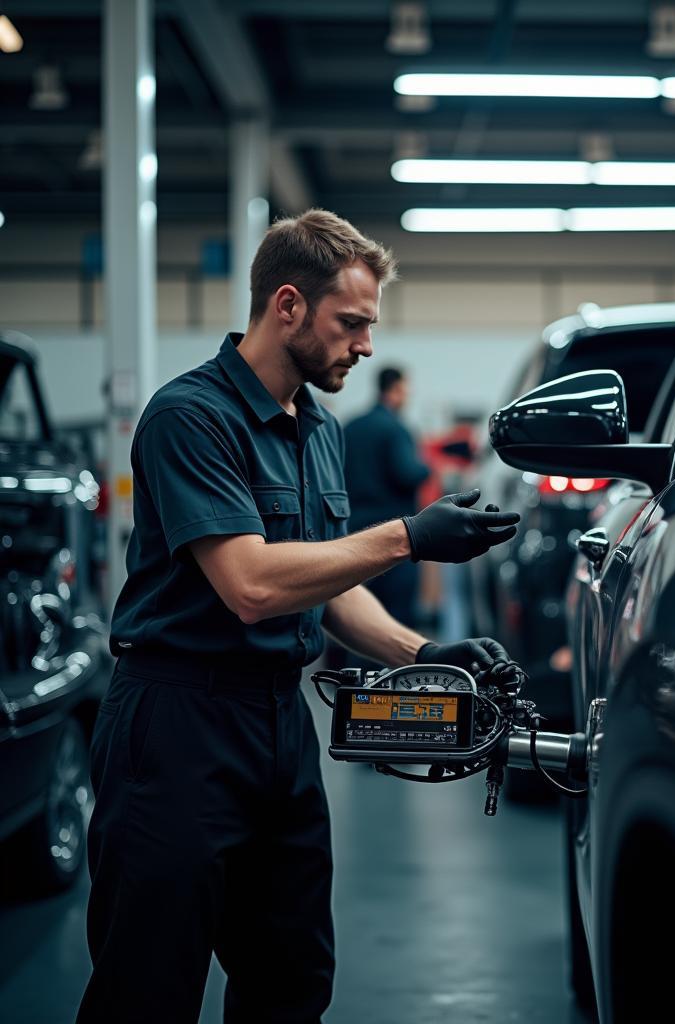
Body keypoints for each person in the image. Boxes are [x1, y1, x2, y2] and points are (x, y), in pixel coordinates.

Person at [77, 209, 519, 1024]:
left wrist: (424, 651)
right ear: (287, 306)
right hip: (178, 725)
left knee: (291, 982)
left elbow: (319, 578)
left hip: (278, 727)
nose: (366, 345)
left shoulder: (316, 429)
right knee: (147, 989)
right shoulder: (191, 418)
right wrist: (407, 539)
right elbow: (250, 583)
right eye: (350, 323)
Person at [344, 366, 430, 629]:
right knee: (395, 615)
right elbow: (407, 473)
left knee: (355, 613)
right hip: (392, 531)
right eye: (405, 391)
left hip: (352, 530)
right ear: (395, 390)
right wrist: (427, 468)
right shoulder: (395, 428)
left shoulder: (350, 426)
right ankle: (394, 669)